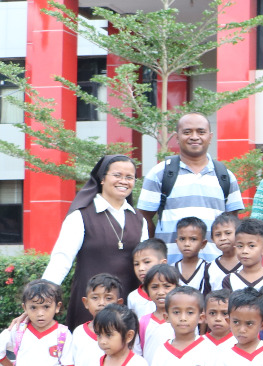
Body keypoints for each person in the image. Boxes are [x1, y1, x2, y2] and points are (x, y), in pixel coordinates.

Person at [45, 155, 148, 329]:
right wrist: (43, 294)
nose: (124, 181)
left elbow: (147, 261)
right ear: (102, 178)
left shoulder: (139, 219)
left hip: (128, 303)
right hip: (90, 303)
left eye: (129, 177)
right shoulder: (81, 215)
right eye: (117, 175)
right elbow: (62, 258)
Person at [137, 112, 245, 261]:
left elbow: (233, 223)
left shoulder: (225, 176)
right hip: (170, 270)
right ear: (177, 137)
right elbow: (144, 221)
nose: (194, 137)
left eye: (201, 132)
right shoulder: (160, 173)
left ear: (210, 137)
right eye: (187, 132)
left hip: (216, 268)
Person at [172, 217, 211, 293]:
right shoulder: (171, 269)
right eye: (182, 239)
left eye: (193, 239)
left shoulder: (209, 269)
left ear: (203, 244)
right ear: (176, 242)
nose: (187, 244)